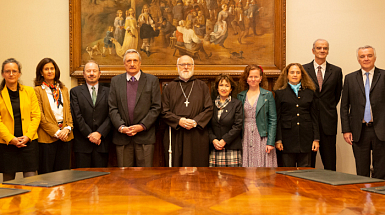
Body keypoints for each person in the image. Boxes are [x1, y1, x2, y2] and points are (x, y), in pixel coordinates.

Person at [108, 49, 161, 167]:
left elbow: (156, 108)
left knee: (145, 177)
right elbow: (112, 108)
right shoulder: (115, 81)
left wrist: (141, 126)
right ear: (124, 64)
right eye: (129, 61)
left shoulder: (152, 81)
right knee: (124, 177)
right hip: (122, 137)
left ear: (140, 63)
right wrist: (122, 127)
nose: (132, 64)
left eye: (135, 60)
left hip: (145, 137)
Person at [340, 46, 385, 179]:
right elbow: (344, 107)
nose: (366, 59)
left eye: (369, 55)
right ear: (358, 59)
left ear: (375, 58)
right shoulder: (350, 78)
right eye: (362, 56)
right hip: (358, 131)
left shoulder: (384, 76)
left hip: (381, 130)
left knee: (381, 169)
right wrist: (346, 130)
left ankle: (379, 197)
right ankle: (363, 198)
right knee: (361, 170)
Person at [161, 55, 213, 167]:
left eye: (189, 64)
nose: (186, 67)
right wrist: (179, 121)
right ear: (177, 67)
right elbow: (164, 111)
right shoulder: (169, 87)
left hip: (197, 133)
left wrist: (195, 122)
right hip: (176, 133)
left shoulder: (202, 86)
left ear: (193, 66)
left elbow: (209, 109)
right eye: (182, 64)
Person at [302, 39, 343, 171]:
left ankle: (331, 190)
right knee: (308, 163)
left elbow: (337, 95)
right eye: (319, 48)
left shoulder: (336, 71)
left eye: (325, 48)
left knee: (330, 163)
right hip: (308, 121)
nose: (322, 50)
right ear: (313, 50)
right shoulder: (303, 69)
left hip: (328, 121)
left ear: (328, 51)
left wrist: (327, 108)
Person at [0, 58, 41, 181]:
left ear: (19, 73)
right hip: (7, 144)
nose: (11, 74)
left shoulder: (29, 91)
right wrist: (10, 138)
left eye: (14, 71)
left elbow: (36, 115)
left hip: (28, 142)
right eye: (7, 71)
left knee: (31, 181)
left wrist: (28, 136)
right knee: (9, 183)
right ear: (3, 74)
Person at [274, 63, 319, 167]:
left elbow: (314, 117)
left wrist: (316, 139)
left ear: (302, 75)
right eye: (292, 72)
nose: (295, 75)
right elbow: (278, 118)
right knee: (287, 173)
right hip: (286, 139)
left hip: (306, 138)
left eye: (298, 72)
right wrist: (278, 139)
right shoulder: (280, 93)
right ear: (287, 75)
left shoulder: (310, 92)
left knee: (306, 172)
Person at [34, 58, 74, 174]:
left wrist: (67, 128)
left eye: (52, 68)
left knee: (64, 175)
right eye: (46, 69)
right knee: (46, 175)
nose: (50, 71)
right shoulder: (37, 90)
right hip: (47, 138)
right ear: (41, 72)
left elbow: (69, 112)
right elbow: (40, 116)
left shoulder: (64, 89)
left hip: (65, 137)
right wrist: (56, 132)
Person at [70, 60, 112, 168]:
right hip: (82, 143)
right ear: (84, 74)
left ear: (99, 73)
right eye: (88, 71)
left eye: (94, 71)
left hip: (102, 142)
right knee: (82, 179)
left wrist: (99, 133)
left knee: (101, 178)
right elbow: (76, 116)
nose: (91, 73)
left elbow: (111, 114)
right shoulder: (75, 92)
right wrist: (89, 134)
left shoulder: (109, 91)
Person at [237, 65, 277, 167]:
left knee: (262, 168)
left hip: (262, 136)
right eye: (250, 76)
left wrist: (270, 142)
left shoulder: (267, 95)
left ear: (261, 78)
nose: (253, 79)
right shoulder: (240, 96)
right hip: (245, 135)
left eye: (256, 76)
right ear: (246, 78)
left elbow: (273, 119)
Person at [208, 74, 242, 167]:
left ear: (231, 89)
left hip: (231, 148)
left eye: (227, 86)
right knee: (215, 179)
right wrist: (214, 140)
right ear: (217, 88)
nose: (224, 88)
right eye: (221, 85)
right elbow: (207, 125)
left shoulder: (236, 104)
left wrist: (224, 140)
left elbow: (238, 125)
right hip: (215, 148)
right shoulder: (210, 104)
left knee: (232, 180)